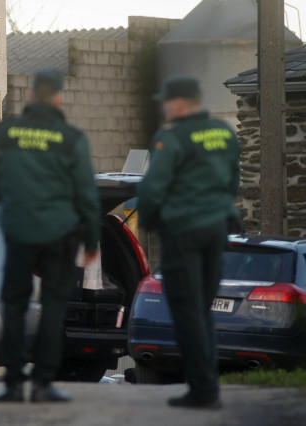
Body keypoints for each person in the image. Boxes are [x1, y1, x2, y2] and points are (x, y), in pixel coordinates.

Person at [0, 68, 101, 403]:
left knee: (15, 305)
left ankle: (13, 383)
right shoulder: (71, 138)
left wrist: (18, 206)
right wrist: (92, 241)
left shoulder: (6, 132)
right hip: (59, 234)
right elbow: (86, 195)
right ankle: (43, 383)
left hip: (19, 232)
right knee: (52, 306)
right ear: (60, 97)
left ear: (31, 96)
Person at [137, 76, 241, 409]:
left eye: (167, 101)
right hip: (216, 230)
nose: (165, 107)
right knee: (202, 309)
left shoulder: (173, 137)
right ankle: (207, 384)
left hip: (184, 233)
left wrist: (150, 223)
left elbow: (152, 189)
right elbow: (233, 179)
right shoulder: (223, 132)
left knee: (186, 311)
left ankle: (203, 390)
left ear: (179, 103)